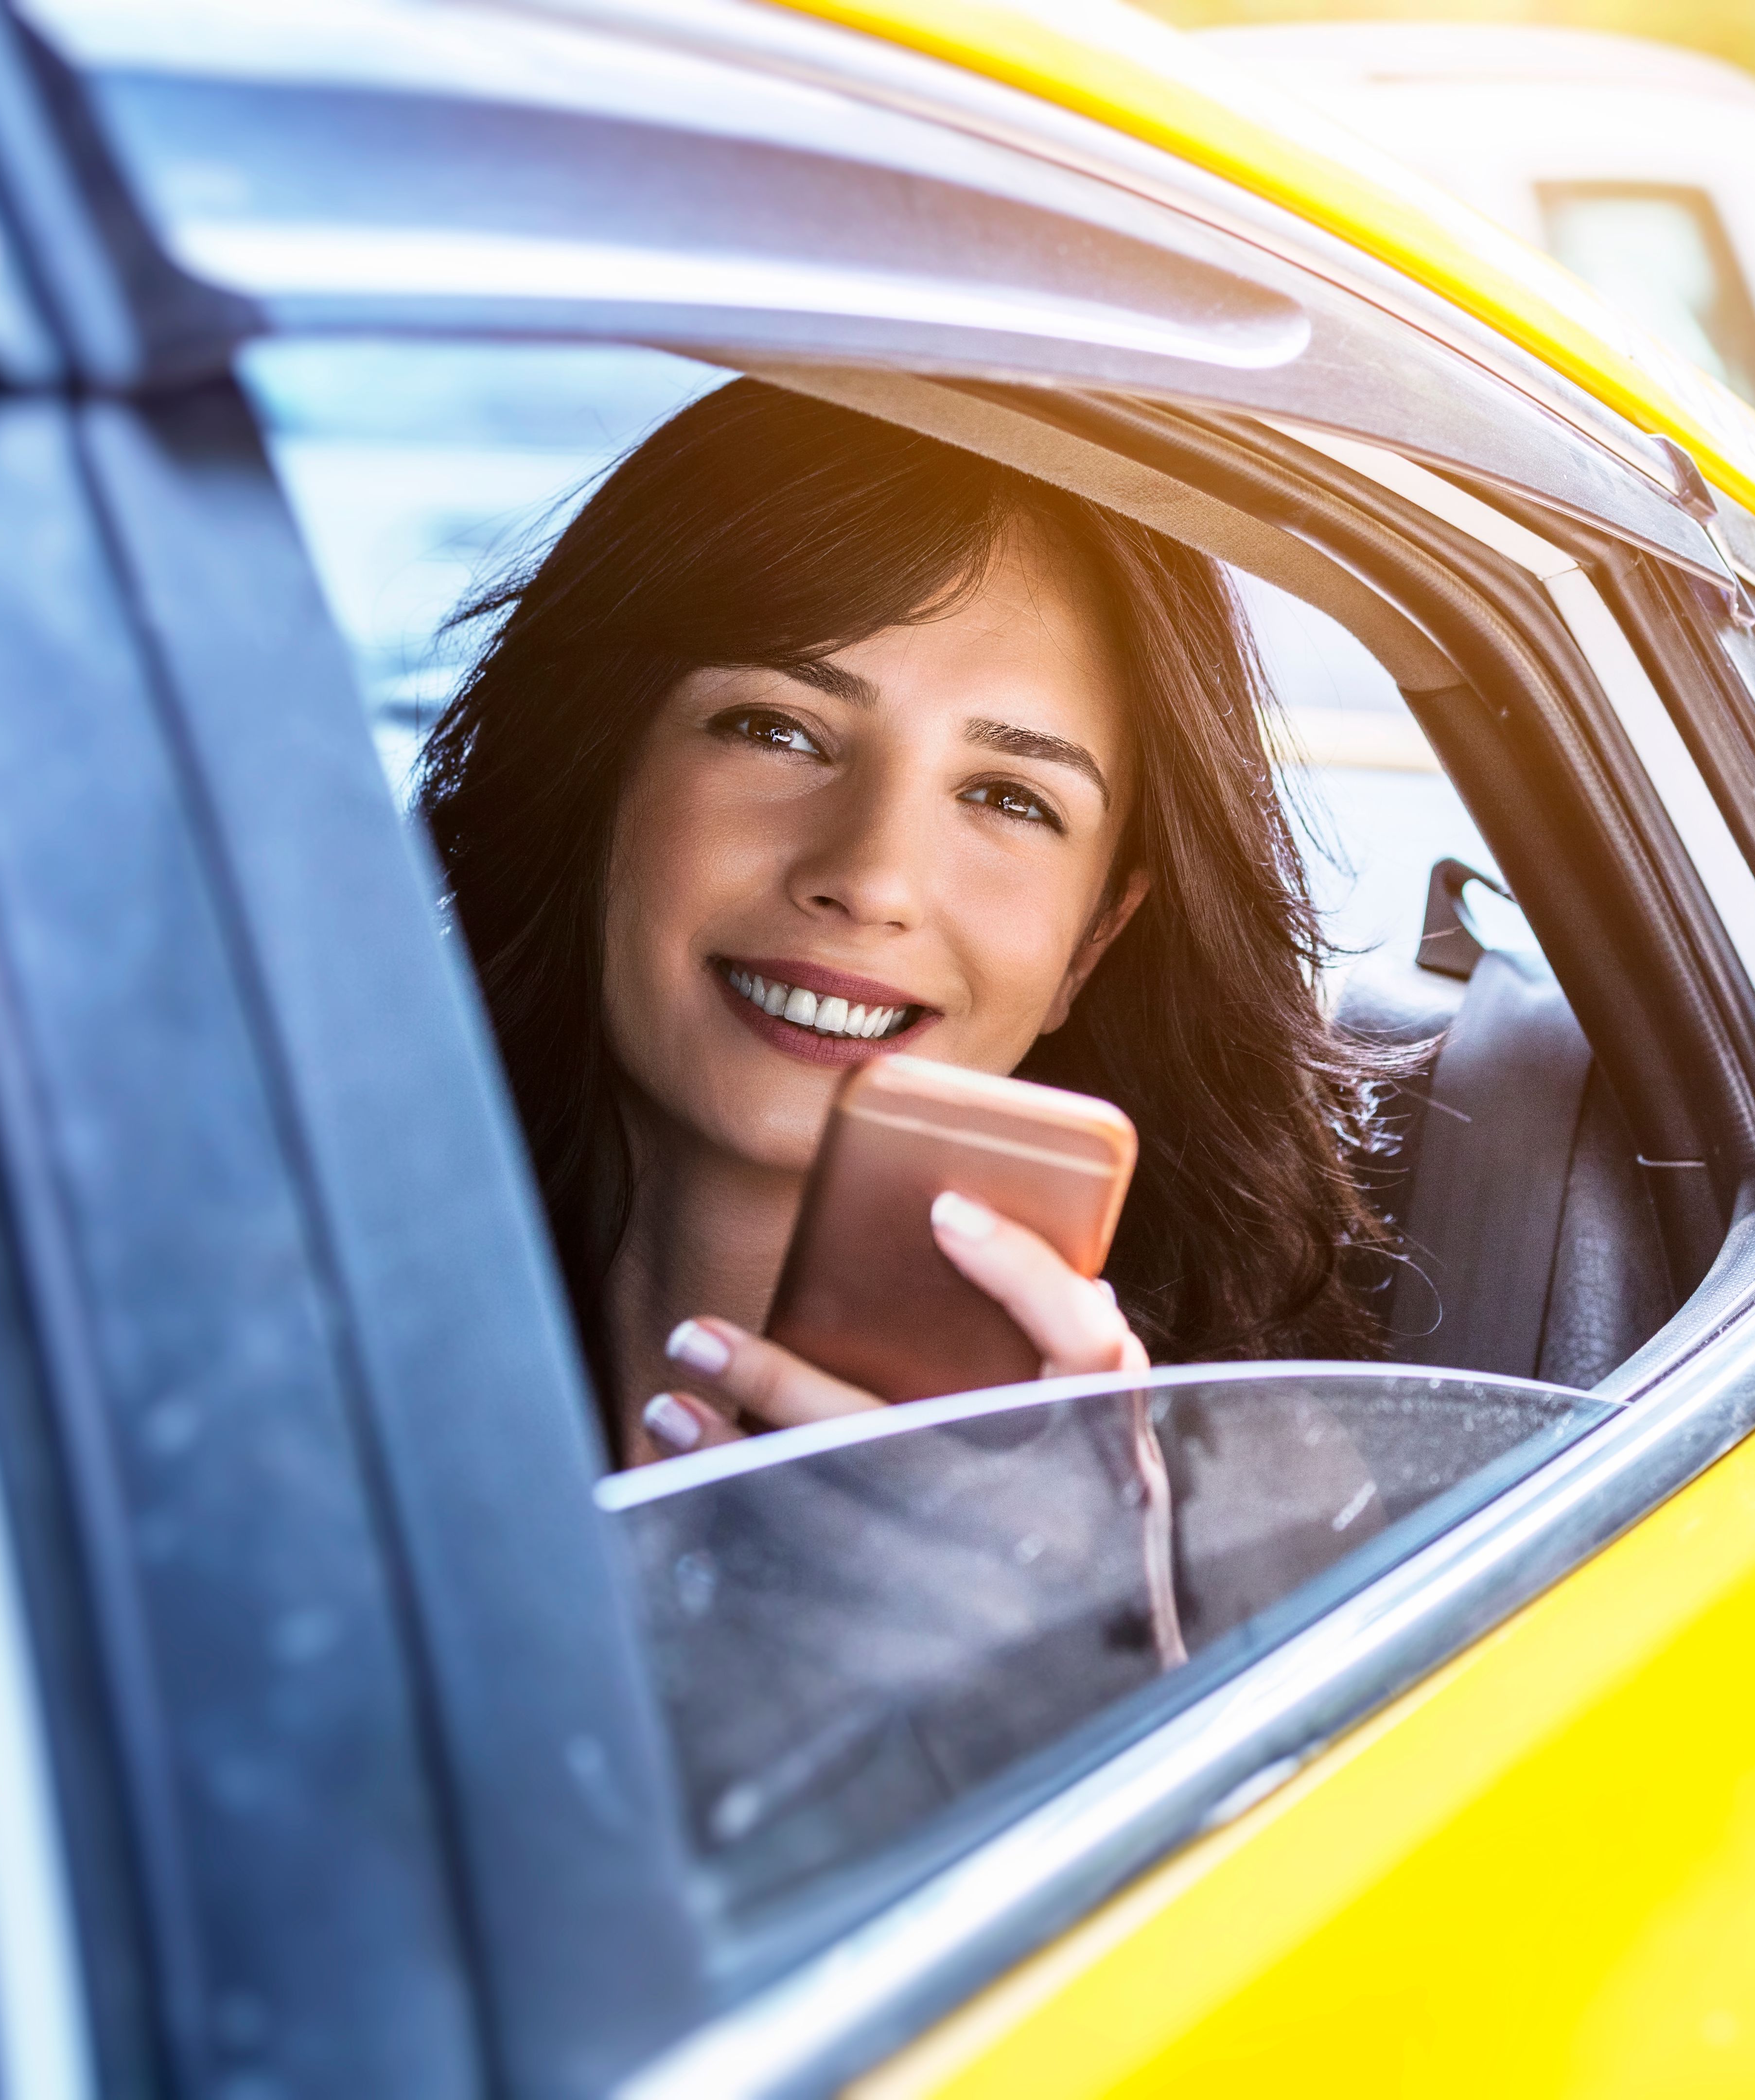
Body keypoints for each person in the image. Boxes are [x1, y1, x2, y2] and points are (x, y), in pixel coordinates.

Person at [417, 380, 1391, 1469]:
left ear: (1094, 942)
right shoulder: (256, 1322)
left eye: (1010, 798)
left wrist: (1083, 1619)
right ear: (593, 782)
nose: (872, 878)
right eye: (777, 729)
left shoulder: (1252, 1524)